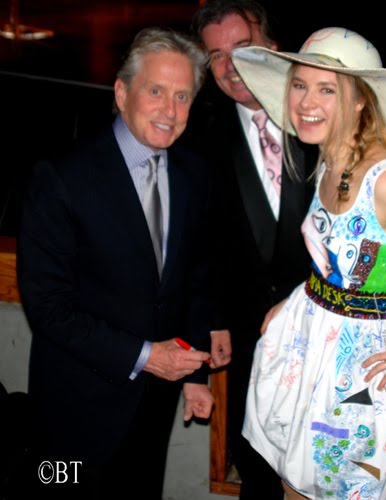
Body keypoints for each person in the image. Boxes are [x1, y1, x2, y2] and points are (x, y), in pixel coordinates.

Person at [231, 27, 386, 499]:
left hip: (361, 370)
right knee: (293, 486)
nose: (307, 101)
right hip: (308, 348)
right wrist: (294, 303)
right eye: (301, 85)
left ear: (362, 100)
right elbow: (335, 262)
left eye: (328, 89)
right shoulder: (329, 162)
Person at [16, 27, 213, 500]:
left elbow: (187, 281)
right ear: (122, 92)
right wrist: (149, 357)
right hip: (76, 409)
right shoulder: (62, 176)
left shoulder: (192, 173)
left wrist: (194, 375)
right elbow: (47, 308)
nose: (170, 110)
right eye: (156, 91)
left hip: (154, 406)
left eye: (183, 96)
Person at [182, 1, 318, 499]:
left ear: (273, 48)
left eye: (243, 48)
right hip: (247, 340)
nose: (230, 66)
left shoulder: (324, 119)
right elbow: (196, 247)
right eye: (216, 55)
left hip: (328, 333)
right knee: (257, 473)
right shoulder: (198, 135)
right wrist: (211, 321)